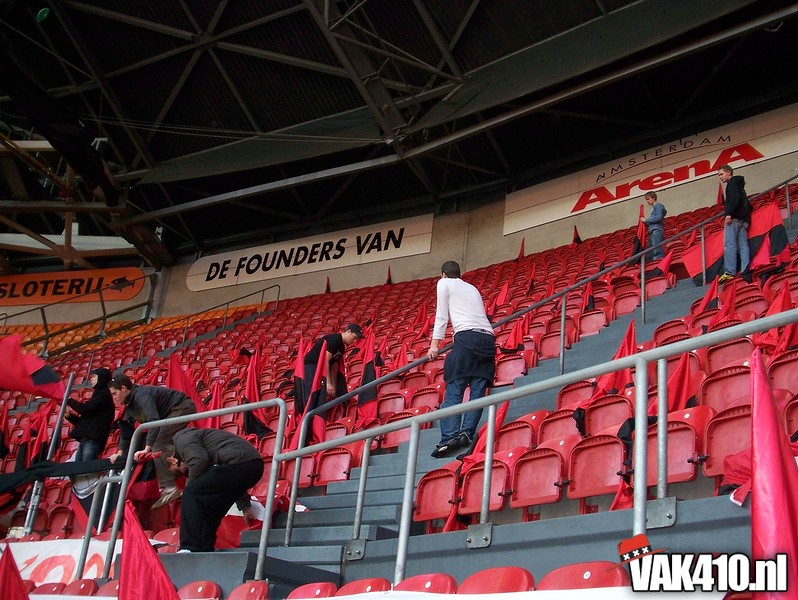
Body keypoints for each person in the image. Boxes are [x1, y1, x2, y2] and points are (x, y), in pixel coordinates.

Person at [427, 261, 496, 458]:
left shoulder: (444, 283)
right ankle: (467, 433)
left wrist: (434, 345)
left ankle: (448, 438)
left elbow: (441, 316)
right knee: (477, 390)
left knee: (455, 385)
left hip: (467, 337)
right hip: (487, 339)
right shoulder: (472, 288)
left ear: (443, 275)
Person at [166, 427, 263, 553]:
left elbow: (199, 461)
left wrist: (190, 487)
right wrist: (244, 505)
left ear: (172, 460)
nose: (186, 472)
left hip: (239, 463)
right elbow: (231, 482)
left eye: (180, 471)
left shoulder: (183, 440)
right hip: (252, 466)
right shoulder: (199, 444)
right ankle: (205, 549)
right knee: (211, 508)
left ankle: (189, 547)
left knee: (190, 493)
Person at [108, 374, 197, 508]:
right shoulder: (129, 404)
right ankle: (186, 468)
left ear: (124, 388)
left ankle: (169, 488)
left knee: (158, 443)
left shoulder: (141, 395)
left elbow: (153, 420)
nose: (114, 397)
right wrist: (120, 452)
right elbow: (126, 432)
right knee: (163, 444)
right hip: (169, 413)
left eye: (115, 393)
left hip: (181, 407)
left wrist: (147, 448)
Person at [65, 367, 115, 461]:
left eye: (94, 376)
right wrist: (69, 416)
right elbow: (85, 422)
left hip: (92, 440)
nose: (91, 378)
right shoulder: (98, 395)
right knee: (79, 468)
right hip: (87, 440)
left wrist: (68, 399)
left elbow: (84, 409)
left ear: (101, 378)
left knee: (85, 468)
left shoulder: (103, 395)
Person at [302, 324, 365, 398]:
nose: (354, 341)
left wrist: (333, 388)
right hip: (310, 367)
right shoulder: (334, 339)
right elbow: (325, 361)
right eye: (354, 337)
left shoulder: (341, 347)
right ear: (348, 332)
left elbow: (333, 367)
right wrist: (328, 383)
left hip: (319, 370)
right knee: (312, 395)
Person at [717, 164, 751, 283]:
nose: (720, 177)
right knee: (743, 245)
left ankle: (729, 272)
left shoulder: (731, 184)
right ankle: (745, 269)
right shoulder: (739, 184)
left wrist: (728, 214)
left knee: (729, 244)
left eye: (721, 174)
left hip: (734, 218)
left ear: (729, 173)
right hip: (743, 219)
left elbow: (733, 200)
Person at [640, 192, 667, 260]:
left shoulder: (658, 206)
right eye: (646, 199)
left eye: (648, 199)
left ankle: (658, 261)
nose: (647, 201)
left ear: (653, 198)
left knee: (657, 249)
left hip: (656, 230)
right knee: (651, 251)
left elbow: (658, 217)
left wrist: (646, 220)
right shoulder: (654, 207)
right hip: (652, 231)